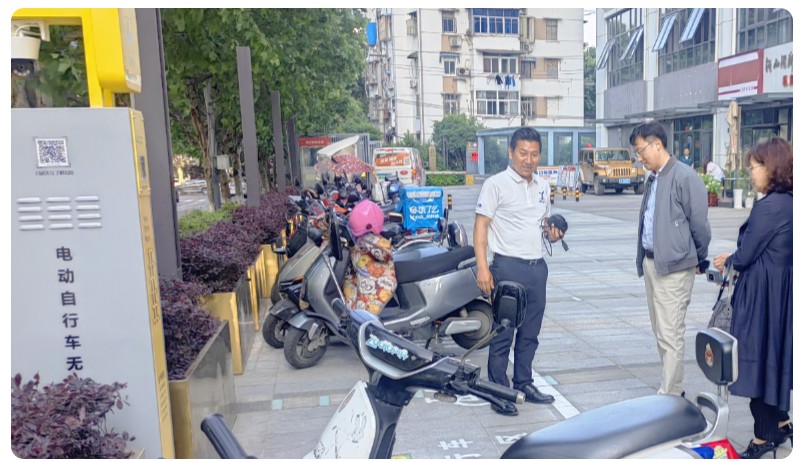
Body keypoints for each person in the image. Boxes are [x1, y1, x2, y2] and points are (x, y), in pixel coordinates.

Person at [474, 127, 564, 416]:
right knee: (503, 333)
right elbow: (481, 227)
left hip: (537, 268)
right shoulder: (495, 185)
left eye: (534, 154)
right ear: (510, 152)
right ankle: (498, 390)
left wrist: (552, 234)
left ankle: (524, 382)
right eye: (523, 153)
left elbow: (542, 226)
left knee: (530, 333)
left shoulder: (542, 186)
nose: (529, 159)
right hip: (507, 268)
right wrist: (483, 268)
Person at [712, 137, 792, 459]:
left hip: (763, 295)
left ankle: (764, 437)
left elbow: (745, 256)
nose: (751, 173)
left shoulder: (769, 207)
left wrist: (729, 259)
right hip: (781, 292)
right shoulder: (790, 202)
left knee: (757, 363)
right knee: (776, 359)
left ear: (772, 168)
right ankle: (782, 421)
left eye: (755, 166)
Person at [630, 121, 711, 397]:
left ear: (657, 144)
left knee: (670, 332)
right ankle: (671, 387)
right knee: (660, 330)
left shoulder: (684, 177)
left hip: (675, 267)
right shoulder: (653, 178)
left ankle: (671, 393)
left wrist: (700, 257)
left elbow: (700, 225)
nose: (639, 158)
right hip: (652, 263)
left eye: (641, 151)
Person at [342, 199, 397, 315]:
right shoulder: (361, 244)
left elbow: (384, 252)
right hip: (361, 283)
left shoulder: (371, 243)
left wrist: (367, 240)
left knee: (361, 316)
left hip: (379, 286)